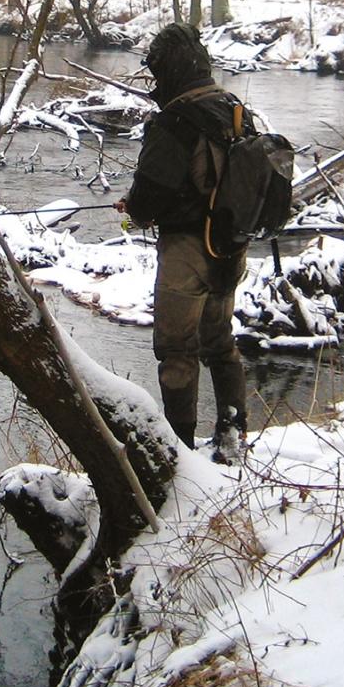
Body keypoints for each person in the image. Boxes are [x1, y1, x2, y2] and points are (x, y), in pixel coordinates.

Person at [115, 23, 250, 463]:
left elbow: (148, 200)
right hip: (230, 248)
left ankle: (181, 453)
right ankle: (232, 437)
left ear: (168, 70)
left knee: (176, 351)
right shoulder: (234, 109)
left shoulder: (174, 121)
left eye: (156, 71)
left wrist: (131, 211)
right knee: (220, 342)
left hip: (186, 254)